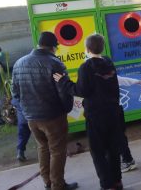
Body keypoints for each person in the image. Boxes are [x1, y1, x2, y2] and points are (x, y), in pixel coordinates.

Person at [53, 34, 123, 190]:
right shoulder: (109, 63)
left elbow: (81, 90)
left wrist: (63, 81)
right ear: (102, 48)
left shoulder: (86, 67)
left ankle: (107, 184)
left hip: (96, 115)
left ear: (87, 48)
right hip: (113, 112)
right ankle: (117, 182)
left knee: (98, 151)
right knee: (113, 148)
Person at [12, 32, 78, 190]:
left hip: (31, 118)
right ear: (53, 47)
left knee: (42, 147)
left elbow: (15, 93)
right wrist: (67, 108)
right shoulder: (54, 63)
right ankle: (58, 185)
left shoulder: (19, 63)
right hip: (53, 116)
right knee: (57, 151)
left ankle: (47, 182)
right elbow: (63, 89)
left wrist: (27, 111)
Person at [117, 75, 141, 173]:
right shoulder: (108, 75)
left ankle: (127, 160)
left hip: (113, 111)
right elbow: (123, 80)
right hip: (117, 109)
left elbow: (123, 80)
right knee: (120, 136)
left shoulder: (105, 76)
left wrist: (136, 81)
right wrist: (137, 81)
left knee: (119, 137)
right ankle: (127, 159)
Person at [11, 98, 31, 162]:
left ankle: (20, 152)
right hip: (33, 115)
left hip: (22, 118)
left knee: (22, 135)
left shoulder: (16, 94)